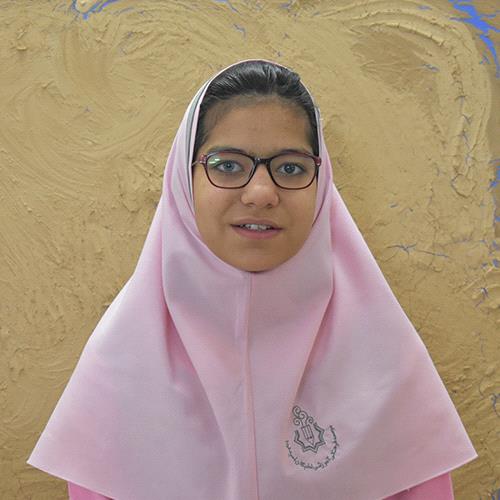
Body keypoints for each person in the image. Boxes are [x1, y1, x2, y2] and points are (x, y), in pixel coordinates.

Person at [27, 59, 477, 499]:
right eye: (227, 165)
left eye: (291, 168)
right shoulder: (118, 370)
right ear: (184, 180)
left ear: (321, 185)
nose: (261, 193)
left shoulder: (387, 362)